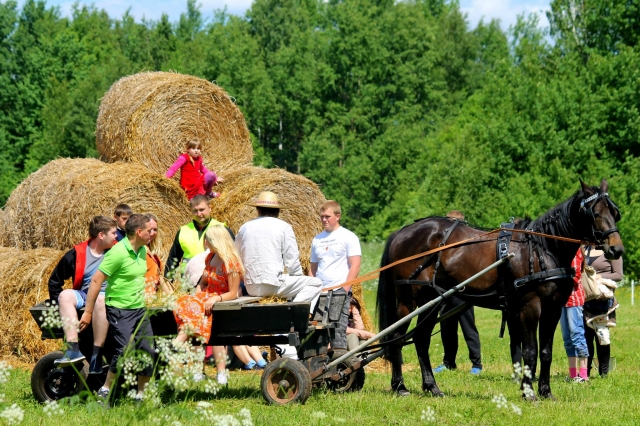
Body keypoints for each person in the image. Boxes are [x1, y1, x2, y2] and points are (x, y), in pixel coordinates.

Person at [79, 214, 154, 403]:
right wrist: (88, 312)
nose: (152, 233)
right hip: (119, 308)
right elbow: (96, 280)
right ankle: (105, 389)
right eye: (149, 230)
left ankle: (141, 395)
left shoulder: (143, 250)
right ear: (138, 232)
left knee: (148, 350)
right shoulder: (117, 253)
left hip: (139, 308)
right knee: (124, 350)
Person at [173, 224, 244, 385]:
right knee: (184, 302)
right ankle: (196, 366)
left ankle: (220, 372)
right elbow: (203, 282)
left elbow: (233, 293)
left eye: (207, 239)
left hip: (221, 300)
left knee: (209, 327)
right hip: (207, 297)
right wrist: (198, 294)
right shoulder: (210, 257)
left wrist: (215, 299)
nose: (205, 242)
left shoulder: (230, 263)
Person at [47, 216, 118, 373]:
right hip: (86, 295)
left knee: (100, 298)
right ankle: (73, 349)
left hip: (110, 296)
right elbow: (54, 281)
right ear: (101, 235)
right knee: (65, 295)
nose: (116, 236)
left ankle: (96, 354)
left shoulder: (118, 251)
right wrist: (56, 307)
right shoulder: (77, 253)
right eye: (113, 233)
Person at [235, 191, 322, 312]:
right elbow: (292, 261)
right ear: (277, 211)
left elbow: (235, 256)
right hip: (273, 285)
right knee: (315, 283)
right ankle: (294, 314)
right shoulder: (284, 226)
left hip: (251, 286)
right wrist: (297, 278)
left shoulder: (245, 227)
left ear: (258, 210)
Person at [433, 210, 483, 375]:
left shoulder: (469, 244)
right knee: (447, 330)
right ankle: (448, 363)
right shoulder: (442, 243)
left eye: (453, 222)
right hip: (446, 294)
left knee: (469, 329)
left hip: (463, 293)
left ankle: (477, 365)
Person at [309, 200, 361, 350]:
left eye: (327, 216)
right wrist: (313, 289)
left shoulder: (348, 236)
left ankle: (341, 363)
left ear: (337, 216)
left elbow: (355, 265)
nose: (324, 220)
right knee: (318, 330)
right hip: (320, 292)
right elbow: (312, 268)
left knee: (338, 329)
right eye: (322, 217)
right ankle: (319, 363)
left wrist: (345, 290)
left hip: (339, 290)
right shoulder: (317, 239)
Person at [164, 195, 225, 280]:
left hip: (214, 280)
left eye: (201, 210)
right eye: (195, 211)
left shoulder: (221, 228)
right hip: (188, 282)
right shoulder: (183, 231)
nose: (199, 214)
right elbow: (173, 259)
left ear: (210, 208)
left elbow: (232, 256)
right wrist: (168, 282)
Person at [583, 246, 623, 378]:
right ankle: (585, 372)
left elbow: (618, 275)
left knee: (602, 337)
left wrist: (596, 276)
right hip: (585, 299)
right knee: (586, 338)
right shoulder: (583, 248)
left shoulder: (611, 251)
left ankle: (603, 373)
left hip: (603, 301)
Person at [560, 249, 589, 383]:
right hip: (562, 301)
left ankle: (583, 375)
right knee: (567, 339)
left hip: (574, 299)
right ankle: (573, 374)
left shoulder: (575, 251)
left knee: (577, 335)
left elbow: (575, 274)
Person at [144, 213, 172, 301]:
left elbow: (159, 277)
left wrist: (171, 297)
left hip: (152, 299)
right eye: (149, 230)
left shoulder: (152, 252)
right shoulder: (137, 250)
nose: (152, 233)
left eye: (155, 230)